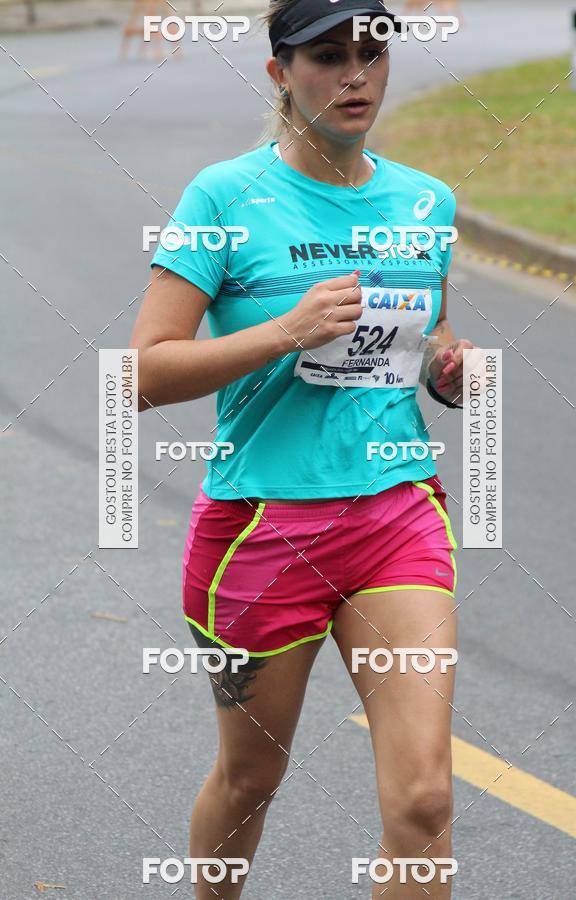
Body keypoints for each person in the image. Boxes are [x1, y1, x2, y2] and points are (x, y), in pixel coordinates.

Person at [130, 0, 477, 895]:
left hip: (396, 516)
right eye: (328, 55)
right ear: (281, 72)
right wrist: (286, 330)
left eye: (372, 53)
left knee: (425, 800)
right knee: (251, 778)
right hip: (264, 529)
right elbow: (143, 374)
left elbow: (418, 347)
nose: (356, 74)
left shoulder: (424, 201)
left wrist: (448, 371)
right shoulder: (224, 197)